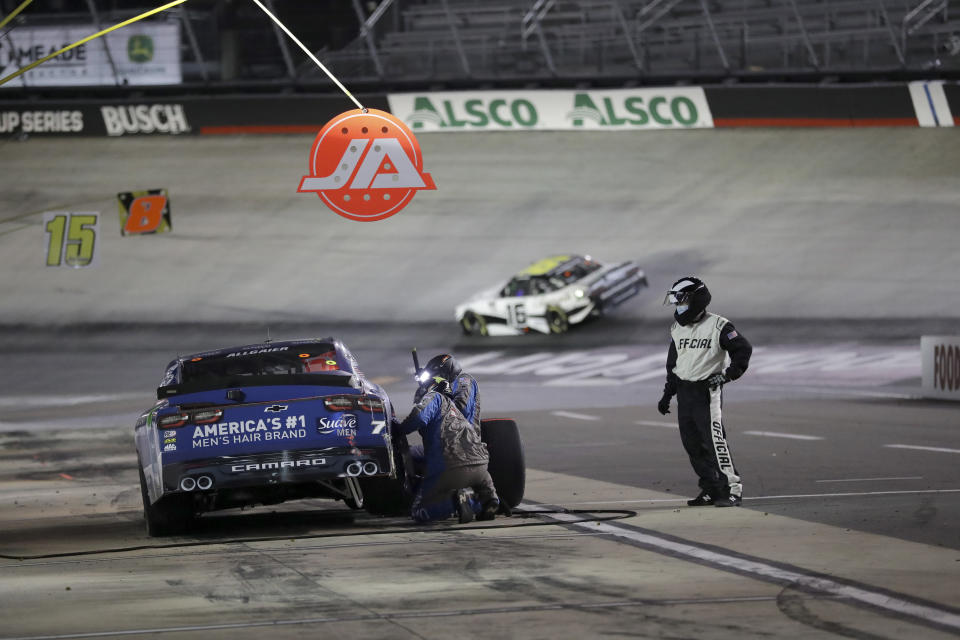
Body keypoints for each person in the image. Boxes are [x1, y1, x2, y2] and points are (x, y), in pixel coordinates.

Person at [657, 277, 752, 508]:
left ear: (697, 300)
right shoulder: (677, 328)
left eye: (682, 300)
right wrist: (668, 393)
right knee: (692, 444)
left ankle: (732, 488)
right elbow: (674, 364)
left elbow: (743, 349)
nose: (678, 306)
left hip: (706, 391)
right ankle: (710, 489)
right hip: (684, 391)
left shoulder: (719, 326)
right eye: (676, 301)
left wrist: (729, 374)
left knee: (714, 441)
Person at [398, 361, 500, 523]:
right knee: (411, 454)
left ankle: (457, 501)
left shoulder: (445, 392)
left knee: (418, 513)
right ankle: (486, 501)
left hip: (451, 461)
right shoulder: (453, 405)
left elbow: (418, 417)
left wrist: (398, 429)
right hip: (478, 458)